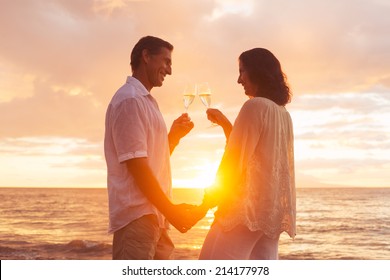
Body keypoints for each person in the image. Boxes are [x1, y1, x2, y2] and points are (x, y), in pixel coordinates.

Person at [197, 48, 296, 260]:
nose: (238, 80)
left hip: (243, 213)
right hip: (269, 216)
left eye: (242, 71)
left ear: (257, 72)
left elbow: (234, 161)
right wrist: (225, 124)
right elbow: (255, 156)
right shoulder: (283, 114)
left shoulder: (254, 106)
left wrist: (206, 203)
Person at [104, 36, 196, 260]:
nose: (170, 70)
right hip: (138, 218)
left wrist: (172, 138)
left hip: (156, 218)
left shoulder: (146, 102)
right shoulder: (130, 100)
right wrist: (172, 210)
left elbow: (152, 160)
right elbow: (137, 166)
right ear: (146, 56)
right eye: (166, 61)